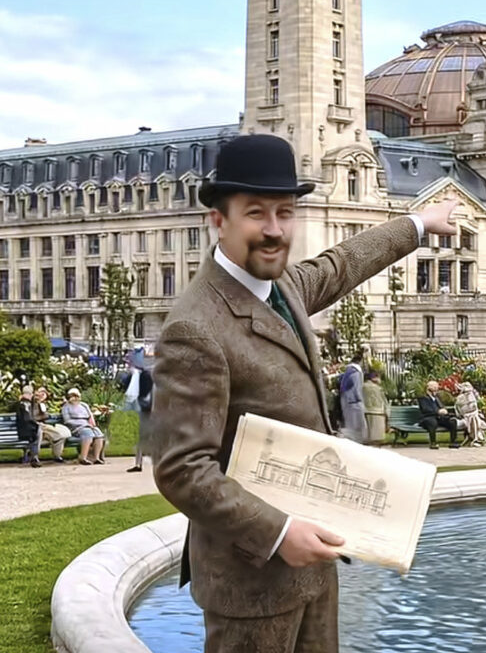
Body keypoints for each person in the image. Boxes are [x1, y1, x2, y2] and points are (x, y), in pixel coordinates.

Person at [150, 133, 459, 653]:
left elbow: (342, 263)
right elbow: (183, 468)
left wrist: (419, 224)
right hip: (250, 580)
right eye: (256, 214)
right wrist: (278, 532)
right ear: (218, 220)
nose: (274, 231)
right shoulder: (197, 326)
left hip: (312, 565)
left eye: (285, 213)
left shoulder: (282, 287)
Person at [118, 348, 153, 472]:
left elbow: (147, 393)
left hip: (147, 409)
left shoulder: (146, 376)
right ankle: (138, 463)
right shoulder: (131, 376)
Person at [61, 388, 105, 465]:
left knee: (99, 434)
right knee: (87, 433)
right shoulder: (66, 407)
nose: (75, 398)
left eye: (76, 396)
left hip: (88, 425)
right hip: (76, 427)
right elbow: (67, 421)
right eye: (72, 396)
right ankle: (83, 457)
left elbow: (90, 416)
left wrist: (91, 423)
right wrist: (84, 425)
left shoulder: (84, 405)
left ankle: (96, 458)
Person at [32, 385, 71, 462]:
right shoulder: (34, 404)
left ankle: (57, 455)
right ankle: (34, 456)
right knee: (59, 434)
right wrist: (44, 415)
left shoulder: (46, 404)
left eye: (44, 393)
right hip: (38, 427)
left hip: (45, 428)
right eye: (40, 392)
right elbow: (33, 417)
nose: (42, 394)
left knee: (61, 435)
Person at [418, 380, 461, 450]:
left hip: (439, 418)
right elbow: (426, 409)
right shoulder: (423, 398)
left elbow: (442, 407)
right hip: (427, 418)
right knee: (432, 422)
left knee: (452, 421)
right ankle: (433, 443)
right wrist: (438, 411)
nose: (436, 389)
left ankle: (453, 442)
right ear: (429, 388)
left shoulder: (437, 398)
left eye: (437, 387)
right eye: (434, 387)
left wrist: (445, 411)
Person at [338, 350, 367, 443]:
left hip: (345, 401)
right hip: (354, 403)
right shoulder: (356, 373)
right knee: (357, 426)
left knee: (349, 424)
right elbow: (357, 389)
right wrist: (361, 402)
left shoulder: (347, 372)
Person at [454, 381, 486, 447]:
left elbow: (475, 407)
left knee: (475, 419)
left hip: (475, 416)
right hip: (464, 418)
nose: (469, 393)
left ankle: (476, 439)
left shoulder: (473, 396)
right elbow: (459, 412)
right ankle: (475, 439)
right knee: (473, 419)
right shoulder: (460, 398)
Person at [15, 385, 42, 467]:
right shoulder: (25, 404)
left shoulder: (21, 403)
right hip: (27, 430)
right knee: (38, 431)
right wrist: (36, 424)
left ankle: (33, 456)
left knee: (38, 431)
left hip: (23, 429)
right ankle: (35, 456)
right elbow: (27, 418)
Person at [362, 371, 389, 445]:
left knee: (367, 437)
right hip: (378, 413)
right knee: (377, 438)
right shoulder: (378, 388)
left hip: (365, 412)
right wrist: (387, 414)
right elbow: (384, 402)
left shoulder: (362, 386)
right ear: (374, 378)